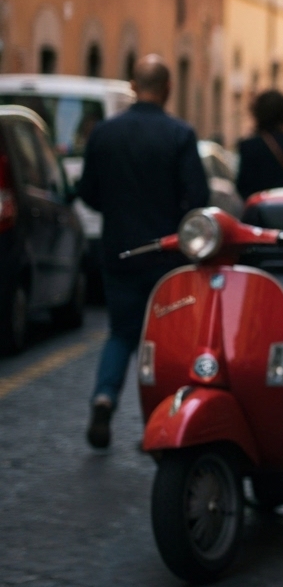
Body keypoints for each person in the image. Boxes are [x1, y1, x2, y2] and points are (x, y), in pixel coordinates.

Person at [78, 55, 210, 449]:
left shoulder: (104, 133)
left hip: (119, 249)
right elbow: (198, 199)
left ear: (133, 86)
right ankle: (159, 420)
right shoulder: (180, 134)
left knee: (121, 332)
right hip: (167, 254)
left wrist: (117, 212)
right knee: (167, 338)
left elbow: (88, 192)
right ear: (168, 89)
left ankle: (104, 398)